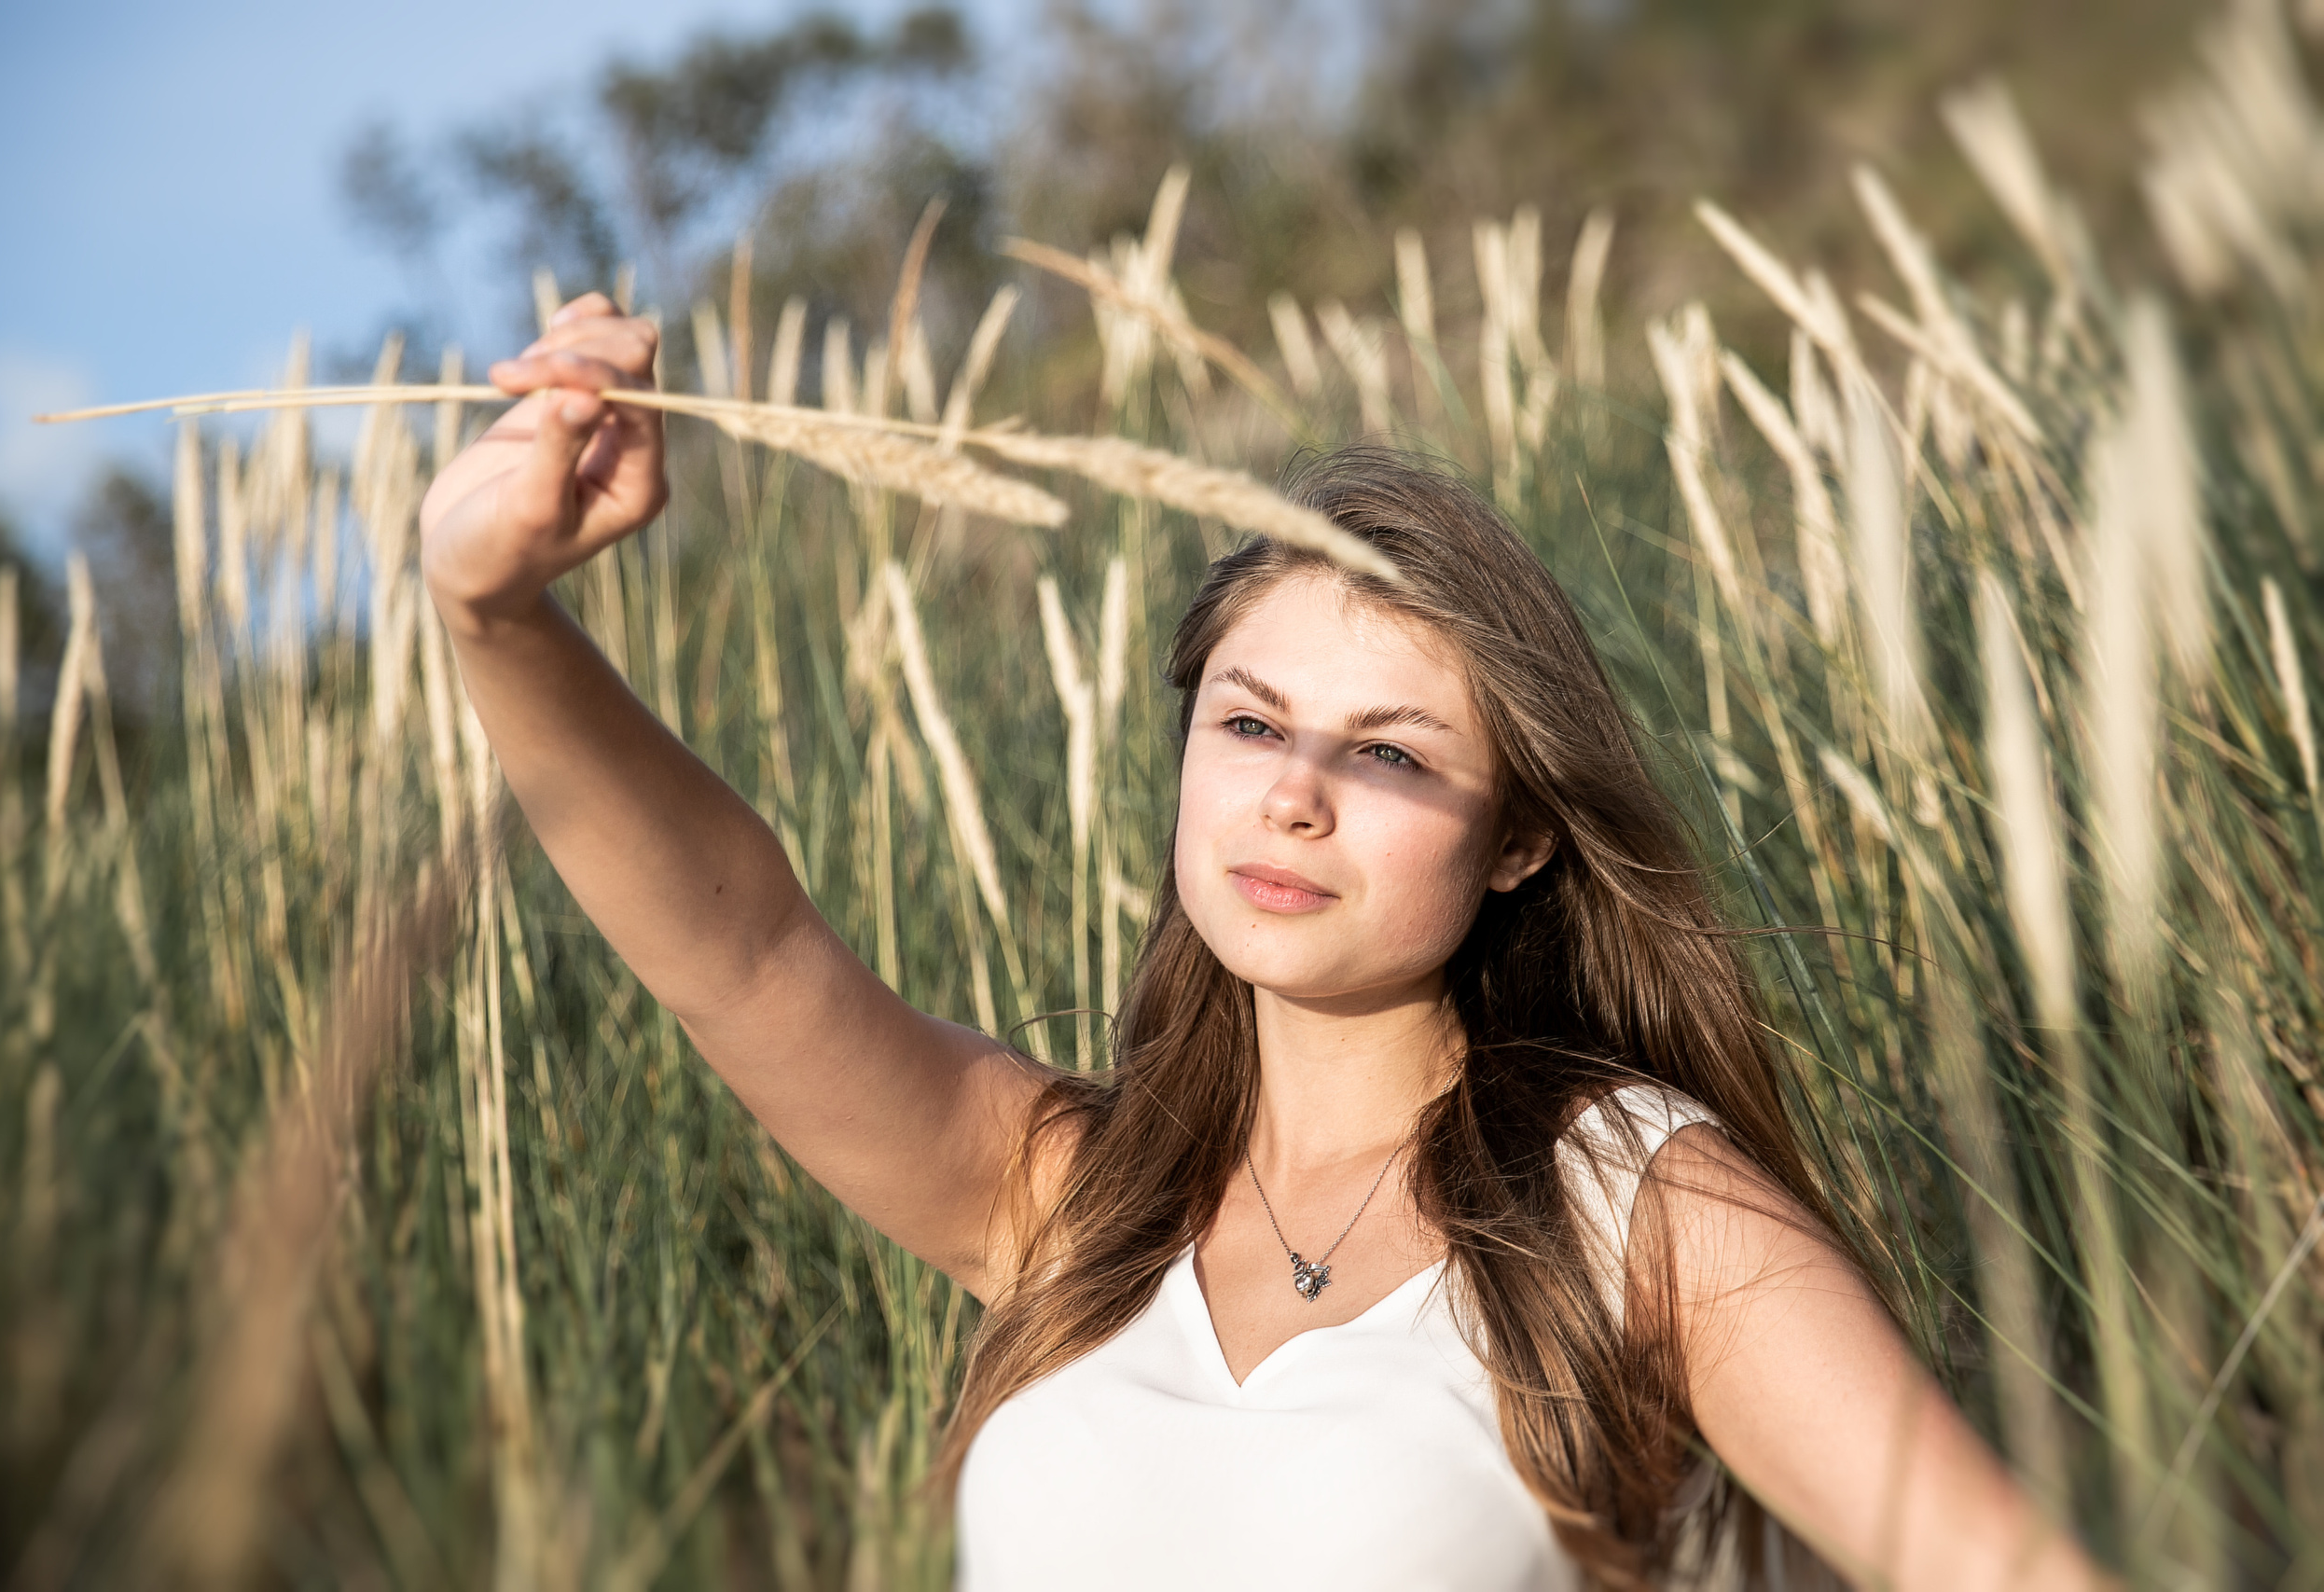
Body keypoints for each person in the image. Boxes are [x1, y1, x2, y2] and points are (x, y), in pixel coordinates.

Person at [421, 294, 2109, 1591]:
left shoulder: (1642, 1214)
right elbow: (749, 958)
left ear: (1520, 833)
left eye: (1386, 753)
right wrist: (496, 620)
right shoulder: (1075, 1197)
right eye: (1251, 723)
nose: (1292, 794)